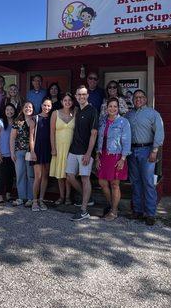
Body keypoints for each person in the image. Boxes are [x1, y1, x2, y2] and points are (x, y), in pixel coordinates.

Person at [125, 90, 165, 226]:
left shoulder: (153, 114)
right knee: (135, 182)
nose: (138, 99)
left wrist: (154, 151)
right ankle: (137, 210)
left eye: (141, 97)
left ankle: (150, 213)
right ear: (133, 99)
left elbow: (159, 133)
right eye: (136, 97)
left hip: (147, 150)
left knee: (148, 182)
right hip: (132, 151)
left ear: (146, 99)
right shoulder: (128, 115)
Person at [95, 97, 131, 221]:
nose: (113, 108)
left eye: (115, 106)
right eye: (110, 106)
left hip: (116, 156)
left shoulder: (123, 122)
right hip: (103, 155)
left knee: (115, 184)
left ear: (118, 108)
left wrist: (123, 159)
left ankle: (114, 211)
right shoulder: (102, 121)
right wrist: (97, 157)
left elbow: (127, 142)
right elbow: (98, 140)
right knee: (102, 182)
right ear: (107, 108)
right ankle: (112, 205)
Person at [66, 85, 99, 221]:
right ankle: (88, 197)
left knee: (85, 178)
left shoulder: (92, 111)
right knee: (70, 176)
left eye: (84, 94)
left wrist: (88, 153)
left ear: (87, 95)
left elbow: (94, 133)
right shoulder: (76, 110)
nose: (81, 97)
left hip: (85, 152)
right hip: (73, 150)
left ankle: (84, 210)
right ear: (76, 96)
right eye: (79, 94)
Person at [49, 92, 75, 205]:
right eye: (65, 100)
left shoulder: (75, 113)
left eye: (69, 100)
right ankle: (61, 196)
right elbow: (51, 132)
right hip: (58, 148)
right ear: (61, 102)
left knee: (68, 174)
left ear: (72, 102)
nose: (67, 102)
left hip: (71, 148)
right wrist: (53, 148)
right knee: (60, 174)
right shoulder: (55, 113)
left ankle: (68, 197)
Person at [29, 97, 52, 212]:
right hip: (37, 150)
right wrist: (32, 151)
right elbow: (31, 137)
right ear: (41, 105)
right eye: (45, 105)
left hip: (48, 149)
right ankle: (34, 201)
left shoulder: (53, 118)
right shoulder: (35, 118)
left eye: (49, 106)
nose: (46, 107)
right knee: (37, 177)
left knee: (45, 176)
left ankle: (42, 200)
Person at [10, 102, 35, 206]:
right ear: (22, 109)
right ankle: (21, 197)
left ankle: (30, 198)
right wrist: (12, 152)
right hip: (19, 151)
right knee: (20, 174)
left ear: (33, 109)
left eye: (30, 107)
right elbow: (12, 138)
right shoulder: (17, 122)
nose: (28, 108)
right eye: (26, 107)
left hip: (31, 152)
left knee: (30, 175)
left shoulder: (35, 120)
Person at [0, 103, 16, 205]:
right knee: (2, 176)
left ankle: (8, 194)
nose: (9, 111)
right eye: (7, 109)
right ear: (4, 111)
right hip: (1, 153)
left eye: (11, 110)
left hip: (12, 154)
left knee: (10, 176)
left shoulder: (15, 123)